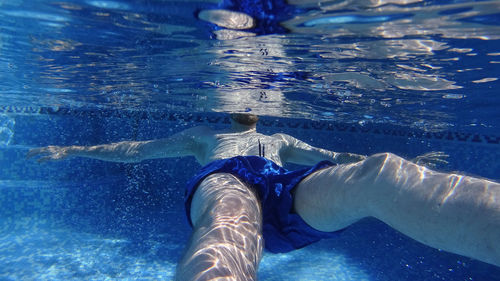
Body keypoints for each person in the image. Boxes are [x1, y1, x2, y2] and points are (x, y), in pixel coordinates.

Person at [27, 113, 500, 280]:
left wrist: (420, 164)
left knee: (381, 174)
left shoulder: (282, 140)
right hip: (226, 180)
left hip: (287, 191)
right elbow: (138, 151)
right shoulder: (201, 135)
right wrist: (73, 149)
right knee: (233, 216)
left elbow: (339, 156)